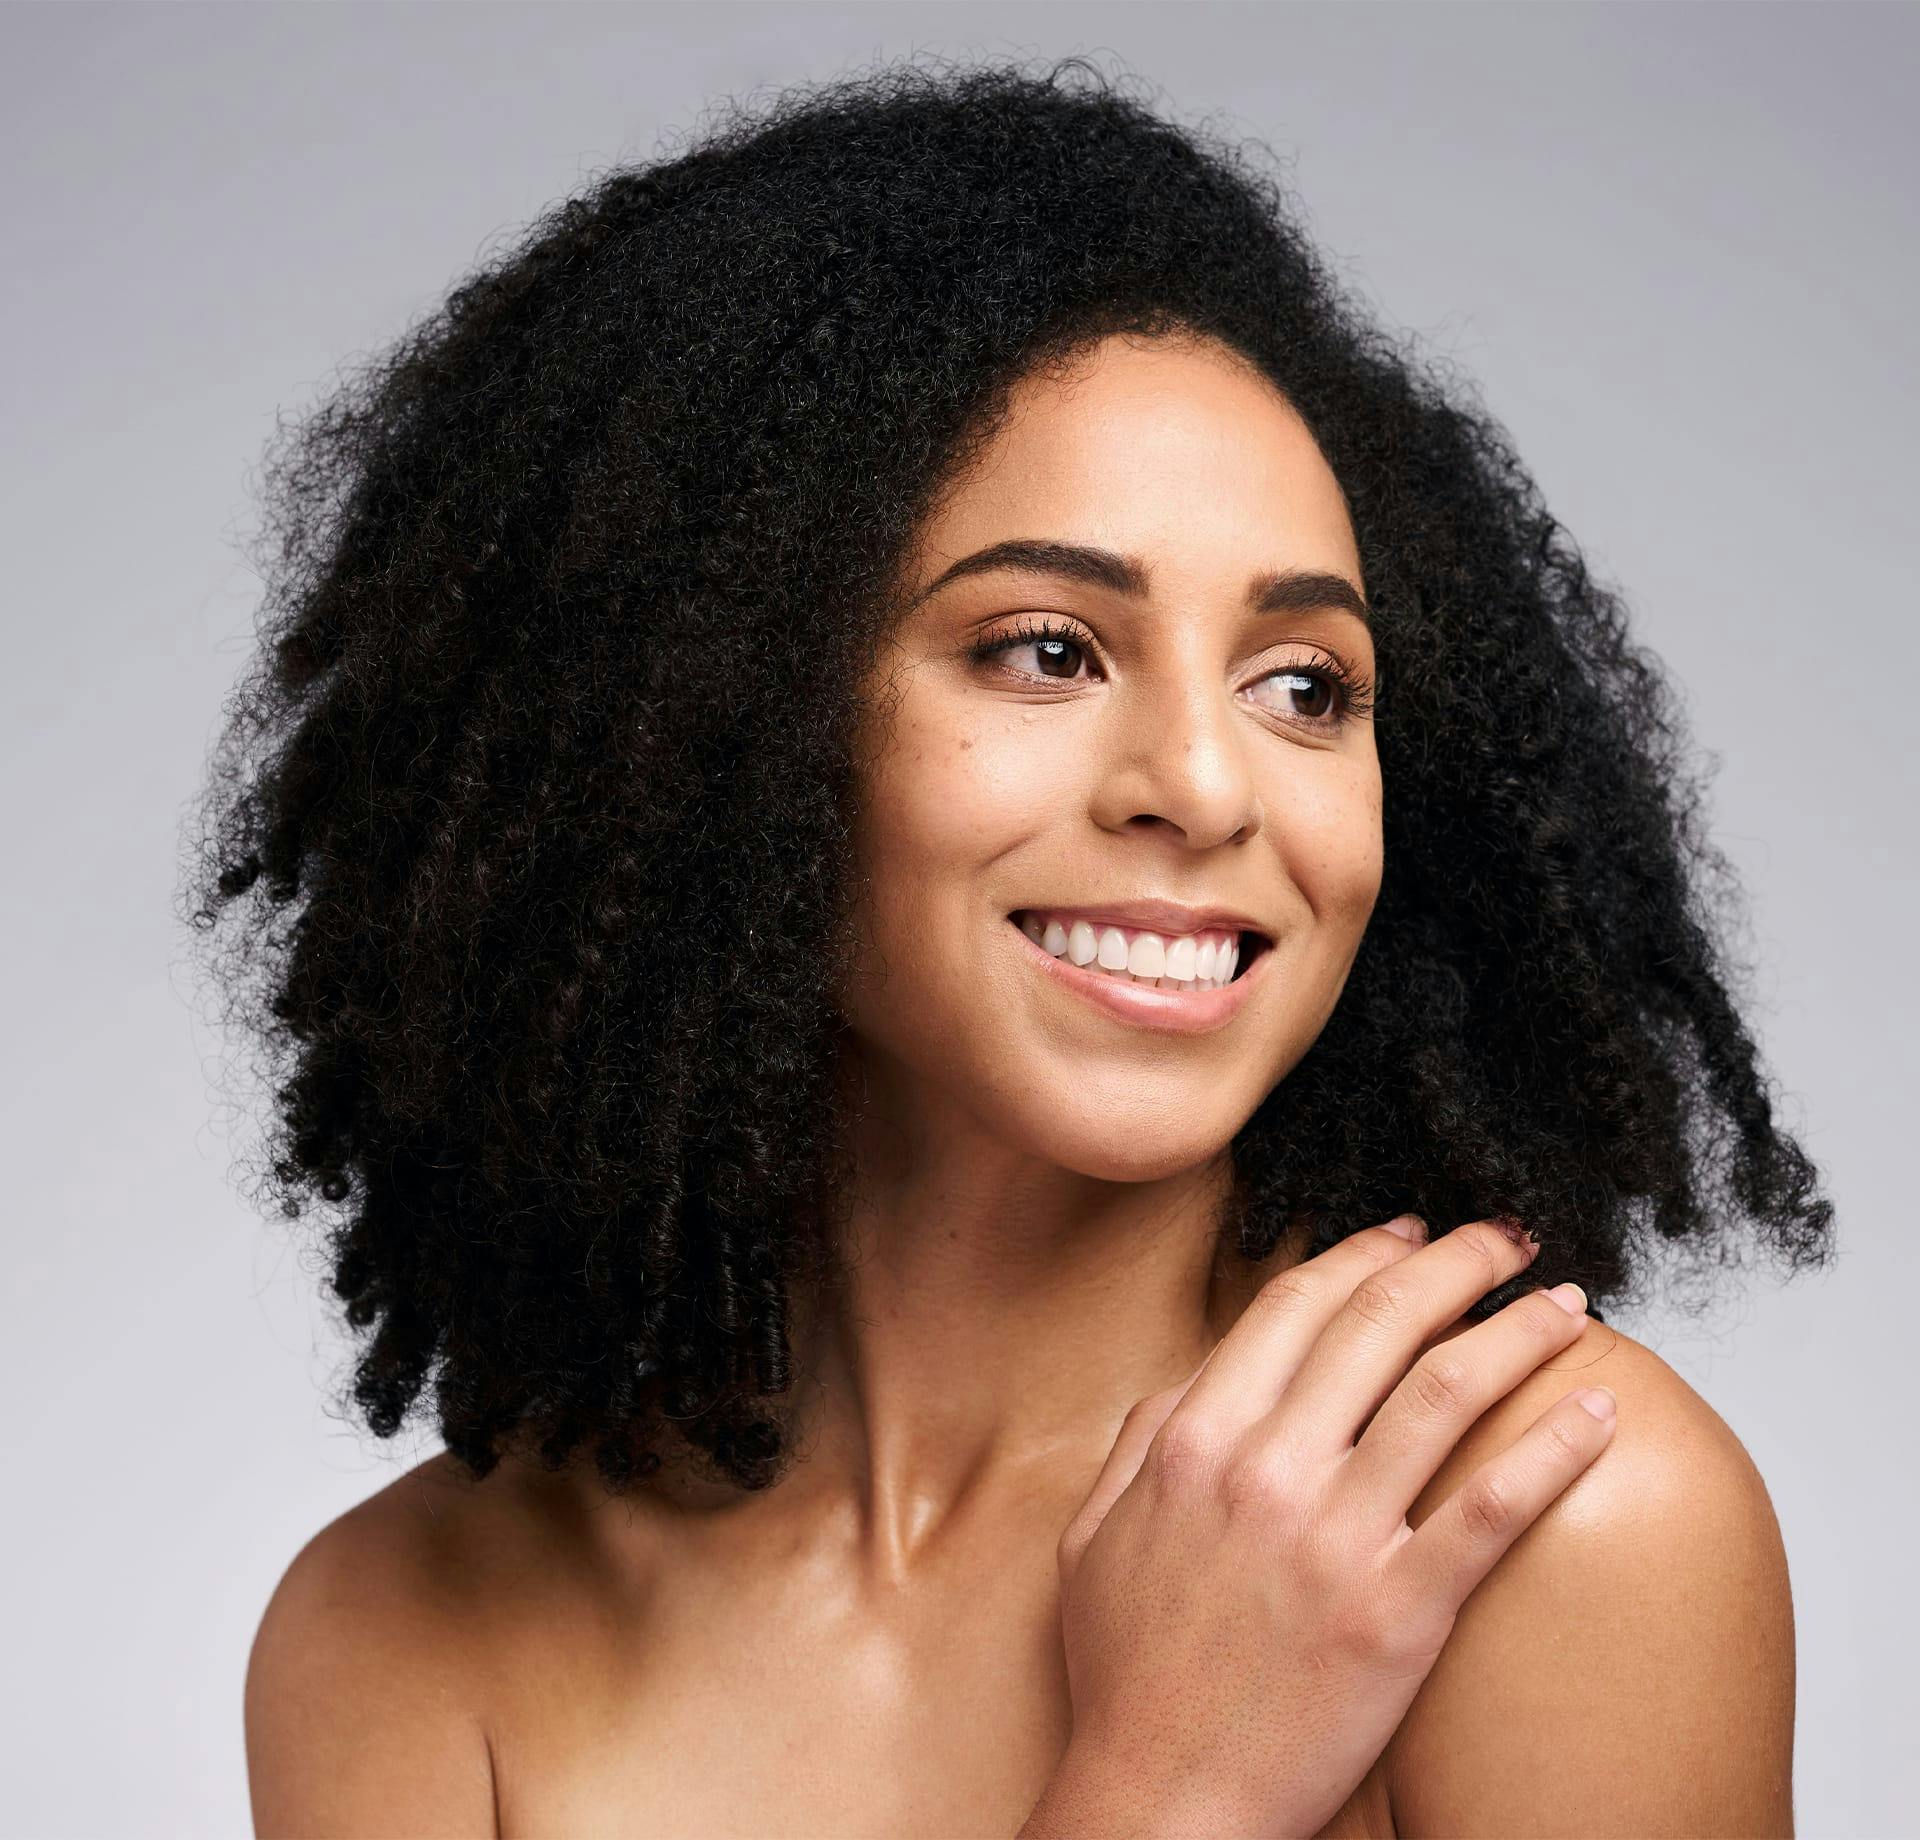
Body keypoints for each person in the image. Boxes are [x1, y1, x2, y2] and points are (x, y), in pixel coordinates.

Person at [186, 56, 1830, 1837]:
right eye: (1045, 649)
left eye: (1306, 685)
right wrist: (1173, 1786)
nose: (1208, 786)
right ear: (700, 722)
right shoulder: (404, 1637)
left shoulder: (1532, 1515)